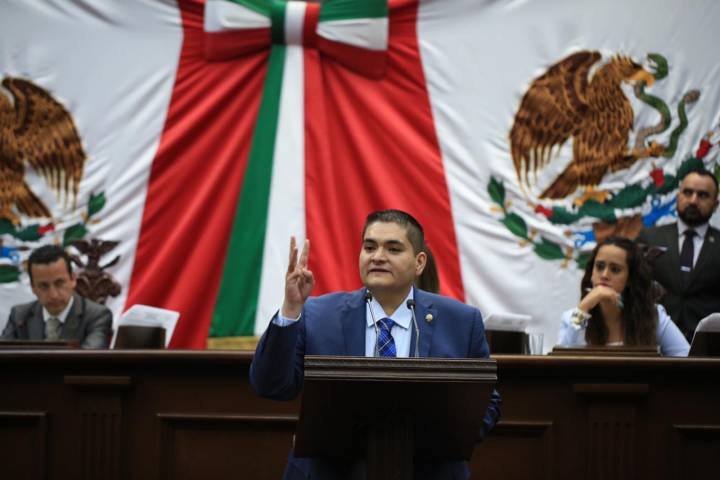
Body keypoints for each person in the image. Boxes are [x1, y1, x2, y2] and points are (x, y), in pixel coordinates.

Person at [250, 209, 501, 480]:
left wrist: (445, 440)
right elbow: (270, 385)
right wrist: (291, 308)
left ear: (419, 263)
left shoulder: (461, 321)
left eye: (393, 249)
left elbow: (487, 403)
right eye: (370, 247)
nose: (378, 256)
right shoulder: (319, 315)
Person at [557, 236, 689, 356]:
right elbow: (561, 364)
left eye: (615, 269)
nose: (604, 275)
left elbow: (687, 359)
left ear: (630, 279)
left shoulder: (653, 316)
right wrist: (583, 308)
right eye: (599, 267)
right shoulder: (573, 317)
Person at [636, 167, 720, 341]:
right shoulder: (649, 237)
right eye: (687, 192)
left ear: (716, 204)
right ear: (677, 196)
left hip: (710, 343)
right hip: (654, 337)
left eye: (703, 195)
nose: (693, 200)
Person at [2, 245, 112, 348]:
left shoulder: (97, 316)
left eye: (59, 283)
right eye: (44, 286)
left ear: (73, 279)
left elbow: (89, 359)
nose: (53, 295)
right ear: (33, 287)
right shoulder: (19, 316)